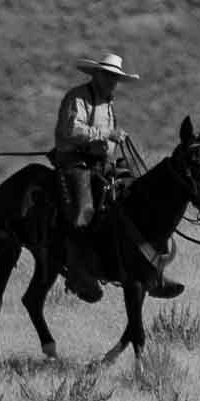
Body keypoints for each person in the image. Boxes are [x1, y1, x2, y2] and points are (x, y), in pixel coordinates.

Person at [50, 52, 182, 301]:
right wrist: (106, 134)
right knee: (82, 211)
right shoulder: (76, 97)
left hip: (102, 163)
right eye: (109, 77)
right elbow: (70, 130)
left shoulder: (108, 102)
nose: (113, 82)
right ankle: (78, 273)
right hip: (75, 162)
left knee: (141, 199)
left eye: (115, 78)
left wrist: (112, 138)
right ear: (97, 75)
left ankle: (154, 272)